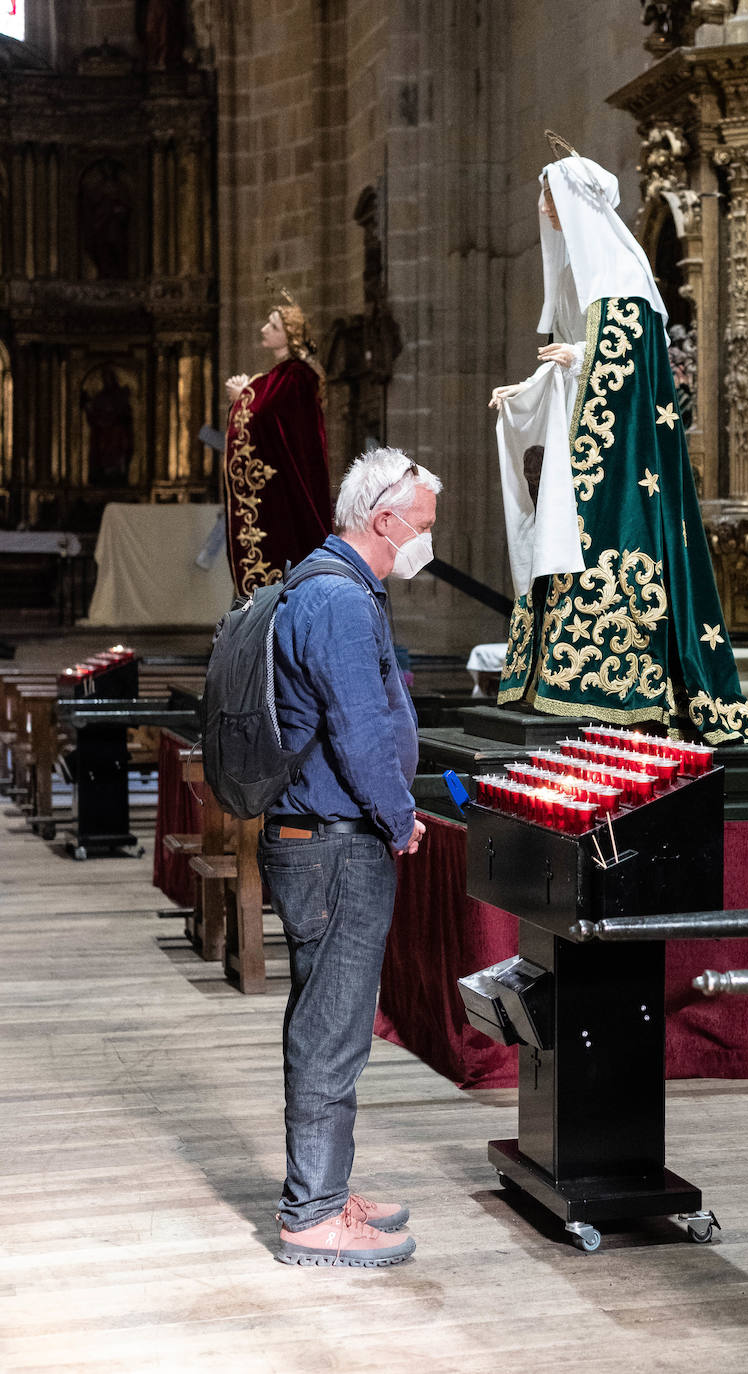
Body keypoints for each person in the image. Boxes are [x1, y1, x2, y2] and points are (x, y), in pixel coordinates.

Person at [489, 133, 748, 743]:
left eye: (549, 197)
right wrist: (527, 390)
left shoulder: (621, 273)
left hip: (622, 464)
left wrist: (576, 359)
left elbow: (627, 368)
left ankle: (616, 684)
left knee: (601, 546)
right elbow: (574, 360)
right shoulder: (587, 277)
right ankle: (556, 676)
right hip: (589, 453)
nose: (542, 208)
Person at [257, 446, 442, 1267]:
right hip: (333, 842)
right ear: (385, 520)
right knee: (332, 1030)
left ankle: (326, 1189)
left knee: (330, 1021)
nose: (426, 540)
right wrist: (398, 817)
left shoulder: (330, 582)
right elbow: (359, 731)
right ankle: (313, 1216)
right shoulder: (336, 597)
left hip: (325, 836)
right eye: (421, 526)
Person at [224, 293, 332, 597]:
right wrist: (247, 395)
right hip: (275, 488)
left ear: (289, 334)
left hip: (286, 489)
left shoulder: (297, 377)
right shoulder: (279, 377)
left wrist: (242, 397)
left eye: (272, 326)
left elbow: (267, 414)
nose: (263, 329)